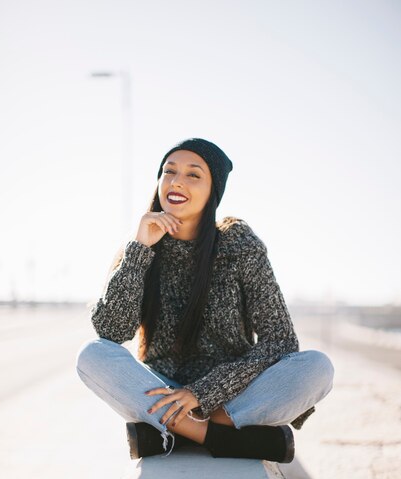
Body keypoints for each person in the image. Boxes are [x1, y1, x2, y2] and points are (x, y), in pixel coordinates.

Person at [76, 137, 334, 462]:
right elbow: (111, 332)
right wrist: (139, 249)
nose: (177, 181)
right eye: (169, 172)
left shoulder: (238, 243)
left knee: (317, 367)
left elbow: (280, 340)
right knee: (92, 354)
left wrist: (202, 393)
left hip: (231, 394)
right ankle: (220, 439)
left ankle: (179, 433)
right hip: (164, 390)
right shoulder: (141, 247)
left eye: (193, 174)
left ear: (213, 190)